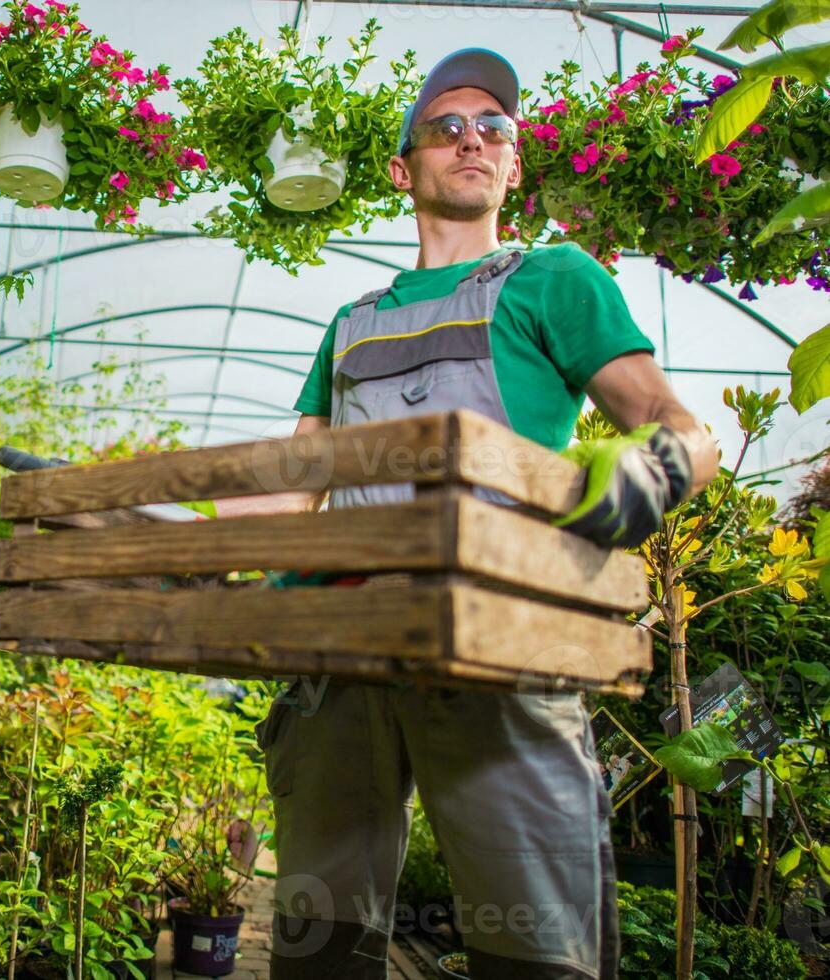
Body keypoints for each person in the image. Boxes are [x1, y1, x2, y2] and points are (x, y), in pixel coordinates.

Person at [217, 49, 720, 979]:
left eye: (493, 126)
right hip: (345, 648)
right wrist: (162, 531)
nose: (472, 138)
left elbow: (674, 425)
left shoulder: (553, 280)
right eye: (445, 126)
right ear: (404, 170)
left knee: (533, 949)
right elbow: (294, 489)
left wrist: (653, 472)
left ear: (514, 166)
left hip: (498, 643)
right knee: (318, 944)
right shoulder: (351, 322)